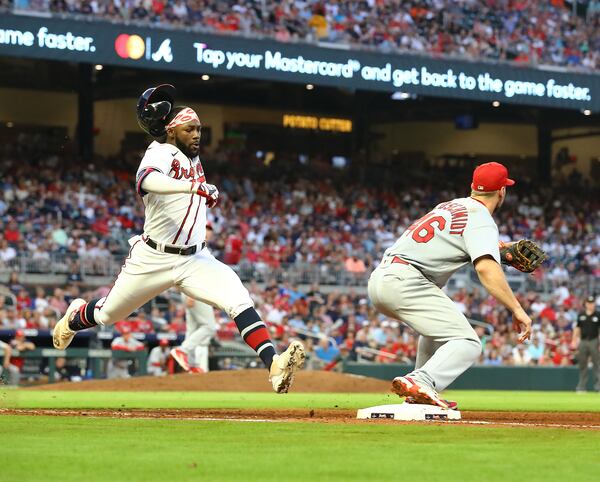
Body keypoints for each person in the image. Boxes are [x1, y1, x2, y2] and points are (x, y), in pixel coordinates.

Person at [52, 84, 304, 393]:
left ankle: (274, 366)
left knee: (238, 299)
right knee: (108, 314)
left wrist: (200, 189)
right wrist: (192, 188)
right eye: (189, 130)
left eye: (199, 129)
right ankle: (74, 317)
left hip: (195, 258)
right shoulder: (160, 151)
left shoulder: (190, 155)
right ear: (172, 133)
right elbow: (147, 180)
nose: (197, 134)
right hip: (154, 257)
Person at [368, 162, 532, 409]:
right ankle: (421, 380)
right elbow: (485, 268)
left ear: (472, 187)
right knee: (468, 342)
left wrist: (500, 249)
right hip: (409, 281)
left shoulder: (448, 206)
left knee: (437, 335)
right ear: (502, 191)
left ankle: (418, 392)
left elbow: (456, 239)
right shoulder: (481, 217)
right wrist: (517, 309)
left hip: (384, 277)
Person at [171, 222, 217, 373]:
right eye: (206, 228)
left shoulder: (198, 246)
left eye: (210, 229)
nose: (208, 232)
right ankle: (183, 350)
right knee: (209, 327)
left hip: (194, 291)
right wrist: (189, 293)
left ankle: (190, 364)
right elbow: (182, 269)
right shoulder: (195, 246)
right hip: (195, 292)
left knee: (192, 329)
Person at [572, 296, 599, 392]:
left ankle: (598, 386)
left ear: (594, 304)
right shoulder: (581, 315)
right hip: (583, 341)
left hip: (594, 340)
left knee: (597, 364)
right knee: (583, 364)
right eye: (589, 303)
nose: (590, 305)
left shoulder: (598, 315)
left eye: (592, 303)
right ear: (586, 304)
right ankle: (581, 386)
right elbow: (577, 328)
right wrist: (574, 340)